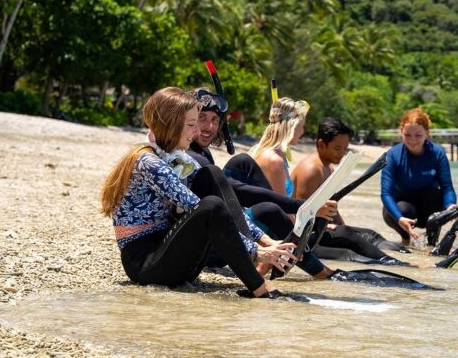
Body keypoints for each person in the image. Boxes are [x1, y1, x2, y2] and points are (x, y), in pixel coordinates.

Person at [100, 87, 296, 299]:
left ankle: (259, 256)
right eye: (191, 124)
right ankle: (258, 287)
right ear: (171, 125)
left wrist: (264, 241)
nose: (196, 132)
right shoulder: (148, 162)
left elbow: (228, 209)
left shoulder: (178, 159)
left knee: (210, 174)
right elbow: (200, 207)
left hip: (174, 259)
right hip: (146, 265)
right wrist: (256, 251)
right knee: (210, 205)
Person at [189, 89, 335, 279]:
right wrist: (306, 207)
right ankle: (321, 271)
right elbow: (242, 192)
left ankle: (293, 240)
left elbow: (237, 192)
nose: (209, 126)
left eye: (215, 119)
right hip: (205, 251)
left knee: (243, 161)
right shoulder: (192, 157)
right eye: (202, 118)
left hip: (217, 234)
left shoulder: (202, 152)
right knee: (268, 210)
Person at [291, 117, 408, 264]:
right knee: (348, 238)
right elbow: (302, 212)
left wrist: (343, 227)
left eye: (345, 149)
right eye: (337, 149)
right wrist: (342, 231)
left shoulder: (328, 166)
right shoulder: (311, 169)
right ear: (321, 144)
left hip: (322, 227)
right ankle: (396, 264)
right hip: (307, 237)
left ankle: (406, 256)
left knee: (371, 235)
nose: (342, 154)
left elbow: (332, 206)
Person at [380, 108, 457, 245]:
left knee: (436, 193)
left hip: (429, 210)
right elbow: (386, 194)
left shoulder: (438, 153)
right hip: (404, 211)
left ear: (427, 133)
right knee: (401, 209)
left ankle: (432, 241)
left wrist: (450, 205)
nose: (412, 140)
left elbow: (447, 188)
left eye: (418, 135)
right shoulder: (392, 155)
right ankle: (405, 239)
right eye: (407, 135)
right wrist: (399, 218)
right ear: (401, 131)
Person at [248, 97, 309, 196]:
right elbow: (283, 207)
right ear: (292, 127)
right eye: (301, 126)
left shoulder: (277, 154)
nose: (303, 131)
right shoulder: (274, 160)